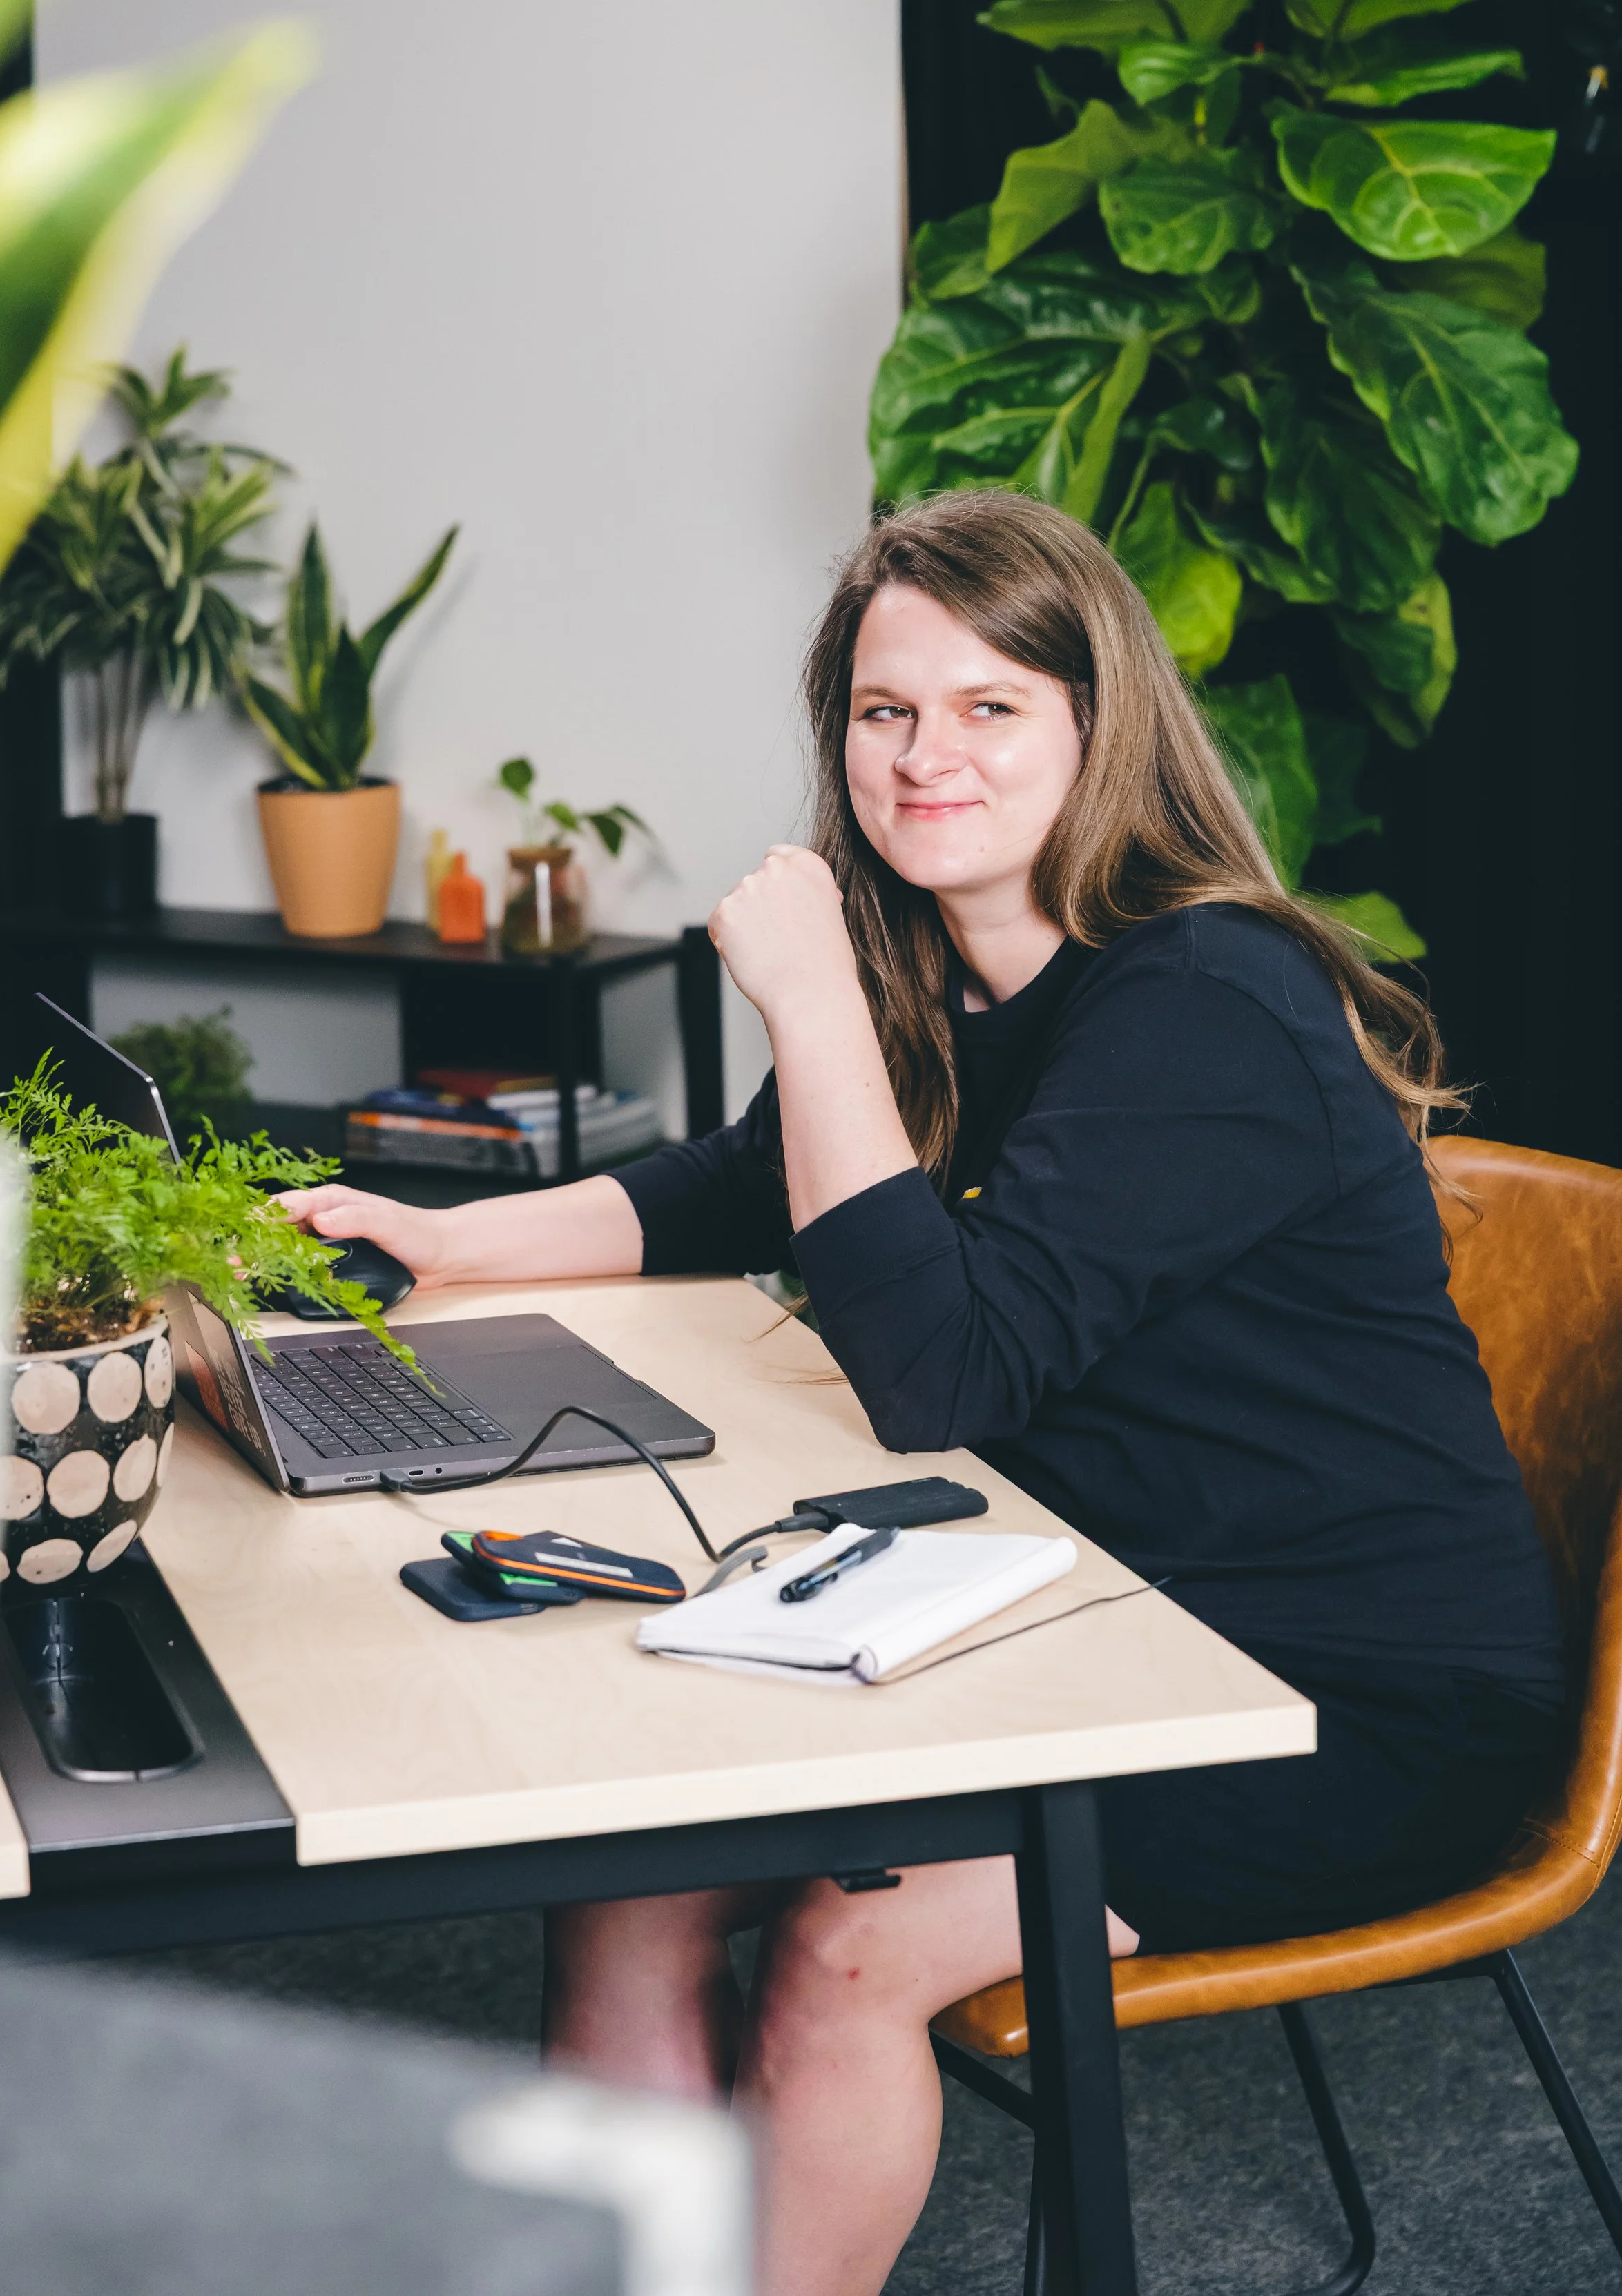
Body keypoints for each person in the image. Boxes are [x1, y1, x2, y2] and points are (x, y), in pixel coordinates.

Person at [280, 490, 1565, 2296]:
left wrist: (805, 1001)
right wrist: (440, 1241)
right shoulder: (941, 971)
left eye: (988, 706)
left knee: (844, 1946)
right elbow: (734, 1186)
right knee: (629, 1870)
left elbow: (941, 1373)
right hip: (1088, 1606)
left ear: (1095, 727)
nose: (922, 753)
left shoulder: (1206, 997)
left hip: (1338, 1691)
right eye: (886, 710)